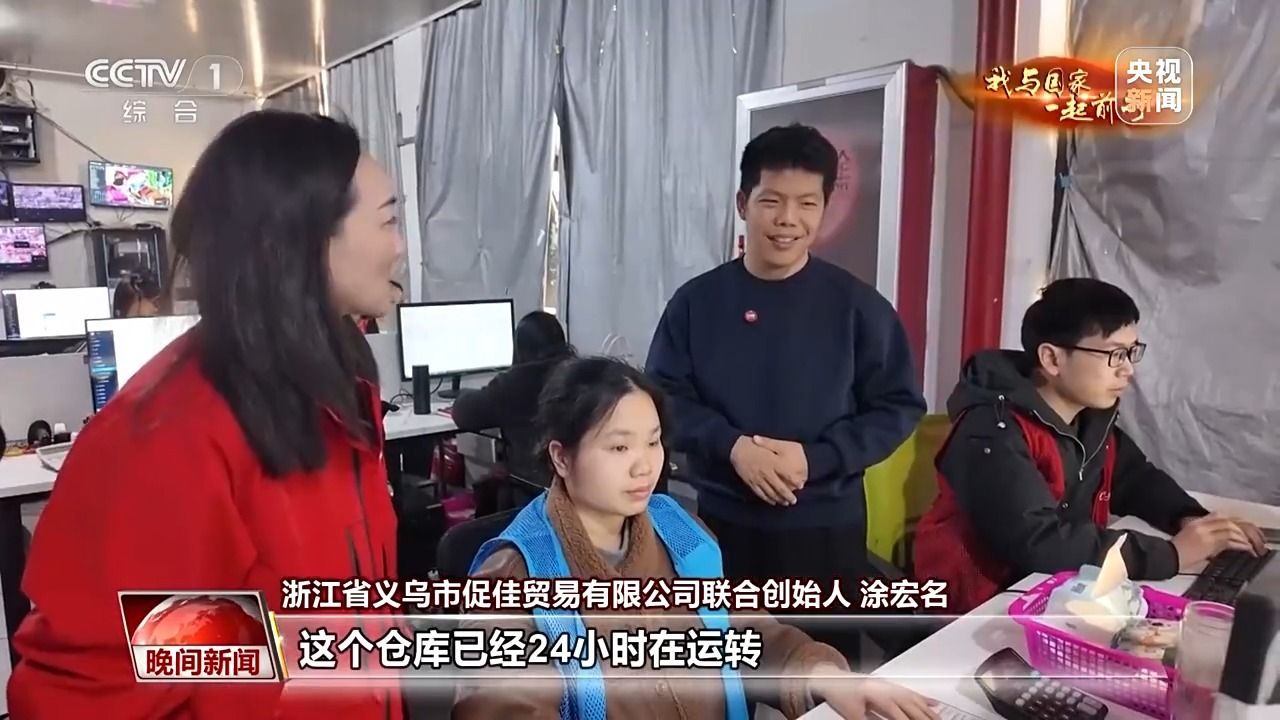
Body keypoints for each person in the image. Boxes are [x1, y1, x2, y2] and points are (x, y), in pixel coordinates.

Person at [8, 111, 406, 719]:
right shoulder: (171, 439)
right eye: (388, 221)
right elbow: (92, 693)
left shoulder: (338, 388)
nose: (400, 247)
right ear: (302, 240)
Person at [454, 355, 938, 720]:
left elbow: (745, 633)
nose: (645, 465)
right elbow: (504, 705)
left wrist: (823, 677)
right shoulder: (514, 579)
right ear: (562, 458)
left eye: (653, 442)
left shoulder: (680, 532)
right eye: (619, 447)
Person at [644, 124, 927, 658]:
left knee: (824, 672)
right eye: (771, 201)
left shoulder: (858, 307)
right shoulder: (697, 303)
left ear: (824, 208)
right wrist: (733, 446)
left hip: (826, 528)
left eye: (806, 203)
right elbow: (661, 397)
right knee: (726, 667)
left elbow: (898, 406)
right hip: (723, 523)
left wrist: (817, 459)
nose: (788, 219)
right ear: (743, 203)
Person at [912, 278, 1268, 613]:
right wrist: (1170, 555)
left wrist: (1190, 518)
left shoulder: (1089, 417)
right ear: (1052, 359)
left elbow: (1135, 479)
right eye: (1114, 354)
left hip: (1052, 591)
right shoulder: (992, 430)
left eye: (1131, 353)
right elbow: (1038, 541)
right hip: (976, 607)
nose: (1127, 370)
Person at [452, 310, 575, 484]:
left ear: (520, 348)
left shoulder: (516, 382)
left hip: (532, 486)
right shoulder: (578, 375)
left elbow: (462, 414)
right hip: (574, 483)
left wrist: (464, 393)